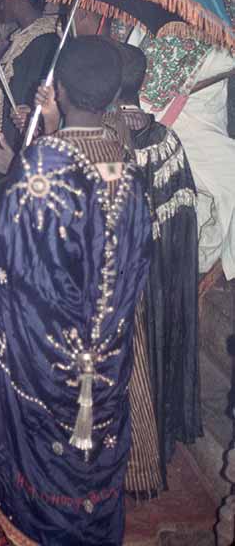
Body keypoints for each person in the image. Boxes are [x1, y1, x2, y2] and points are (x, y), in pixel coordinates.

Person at [0, 36, 153, 546]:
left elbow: (9, 275)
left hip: (45, 360)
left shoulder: (42, 167)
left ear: (55, 90)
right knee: (88, 464)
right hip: (104, 357)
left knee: (38, 463)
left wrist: (3, 176)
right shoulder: (125, 164)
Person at [107, 43, 201, 493]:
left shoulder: (98, 135)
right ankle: (149, 446)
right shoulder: (167, 140)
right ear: (143, 83)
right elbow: (184, 231)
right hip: (157, 283)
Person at [128, 23, 235, 282]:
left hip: (187, 126)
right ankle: (220, 272)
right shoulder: (200, 20)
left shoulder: (157, 11)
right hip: (187, 130)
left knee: (202, 207)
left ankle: (205, 266)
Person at [0, 0, 60, 178]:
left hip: (20, 155)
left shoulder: (43, 42)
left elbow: (33, 103)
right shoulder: (27, 39)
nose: (2, 4)